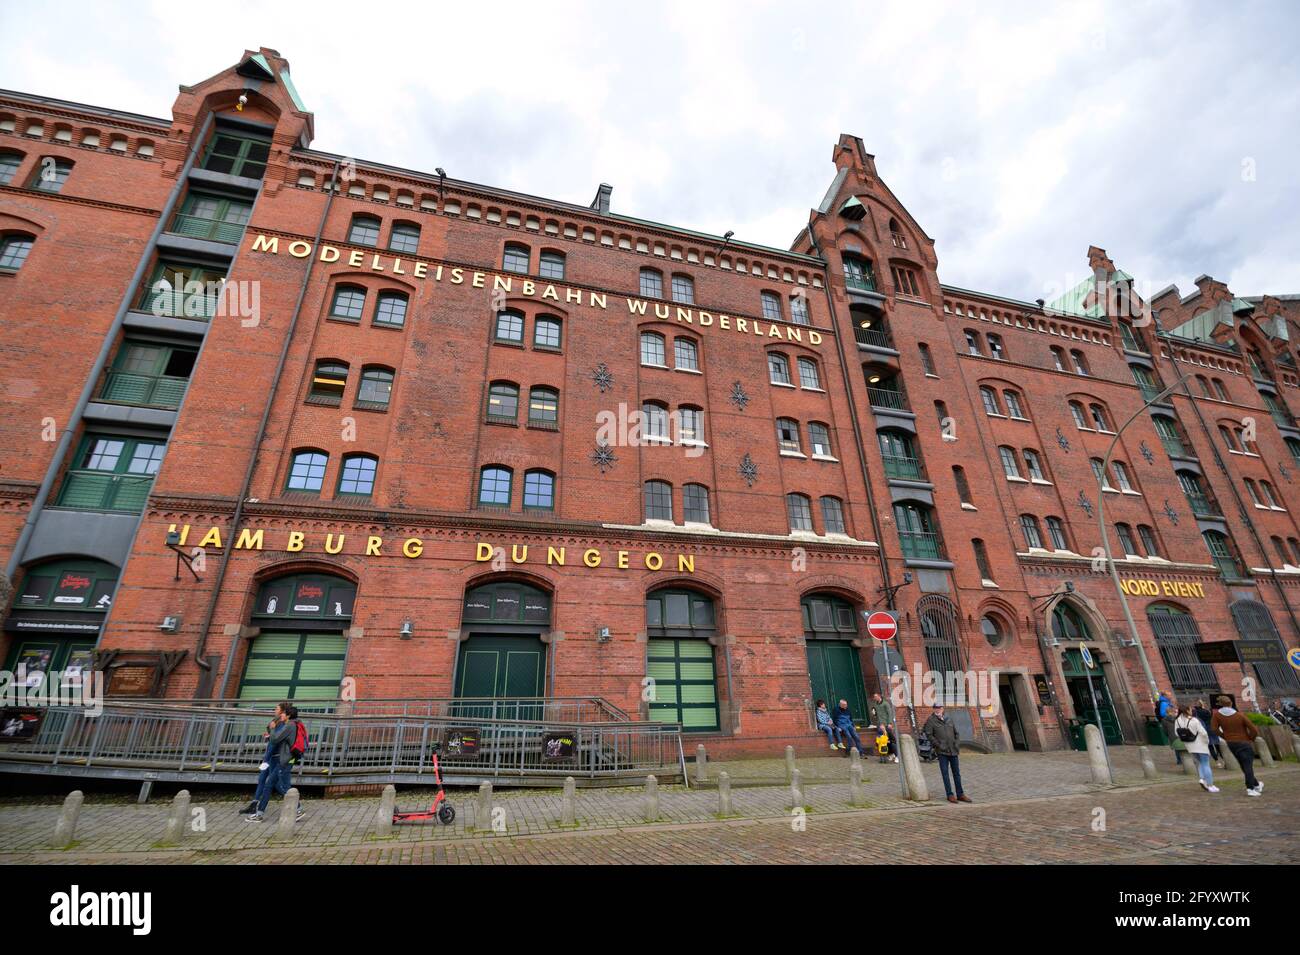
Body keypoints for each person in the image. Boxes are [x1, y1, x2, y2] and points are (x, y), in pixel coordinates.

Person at [247, 702, 306, 822]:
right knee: (270, 785)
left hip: (285, 760)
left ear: (288, 715)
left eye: (283, 714)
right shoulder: (294, 724)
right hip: (285, 759)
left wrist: (273, 729)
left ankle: (298, 809)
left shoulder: (289, 726)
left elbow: (275, 739)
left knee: (284, 787)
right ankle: (259, 813)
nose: (281, 716)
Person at [1210, 696, 1262, 796]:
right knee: (1248, 765)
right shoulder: (1239, 715)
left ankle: (1256, 784)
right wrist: (1251, 738)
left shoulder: (1216, 715)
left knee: (1243, 764)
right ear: (1231, 704)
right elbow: (1253, 729)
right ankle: (1250, 788)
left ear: (1220, 704)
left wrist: (1224, 736)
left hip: (1231, 743)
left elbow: (1214, 729)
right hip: (1244, 742)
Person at [923, 704, 970, 803]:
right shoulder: (931, 720)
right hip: (942, 752)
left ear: (942, 709)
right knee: (945, 774)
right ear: (934, 709)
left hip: (953, 750)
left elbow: (956, 733)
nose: (938, 710)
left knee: (957, 773)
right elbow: (928, 734)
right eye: (936, 708)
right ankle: (950, 794)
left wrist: (957, 744)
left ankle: (960, 794)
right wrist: (938, 745)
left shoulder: (949, 718)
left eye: (940, 708)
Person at [1174, 705, 1218, 793]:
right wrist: (1206, 741)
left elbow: (1176, 733)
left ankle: (1202, 779)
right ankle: (1210, 785)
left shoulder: (1177, 721)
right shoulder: (1194, 720)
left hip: (1190, 745)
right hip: (1200, 744)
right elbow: (1204, 733)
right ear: (1187, 710)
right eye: (1190, 709)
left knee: (1200, 762)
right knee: (1205, 764)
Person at [867, 691, 899, 762]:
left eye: (875, 696)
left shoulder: (885, 704)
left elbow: (889, 714)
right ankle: (890, 754)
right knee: (883, 742)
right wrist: (874, 714)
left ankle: (897, 755)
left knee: (891, 740)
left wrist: (890, 723)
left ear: (879, 696)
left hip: (886, 725)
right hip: (880, 725)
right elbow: (875, 714)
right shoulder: (875, 704)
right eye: (874, 697)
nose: (874, 698)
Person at [1193, 698, 1222, 765]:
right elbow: (1211, 719)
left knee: (1210, 746)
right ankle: (1222, 758)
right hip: (1211, 728)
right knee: (1217, 744)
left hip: (1203, 729)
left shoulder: (1195, 712)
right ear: (1203, 705)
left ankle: (1217, 761)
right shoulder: (1206, 711)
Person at [1156, 690, 1181, 765]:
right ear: (1165, 696)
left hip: (1172, 721)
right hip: (1170, 723)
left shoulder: (1168, 702)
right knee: (1176, 742)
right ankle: (1179, 760)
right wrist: (1172, 715)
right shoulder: (1164, 703)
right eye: (1169, 695)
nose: (1170, 696)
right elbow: (1163, 713)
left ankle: (1180, 759)